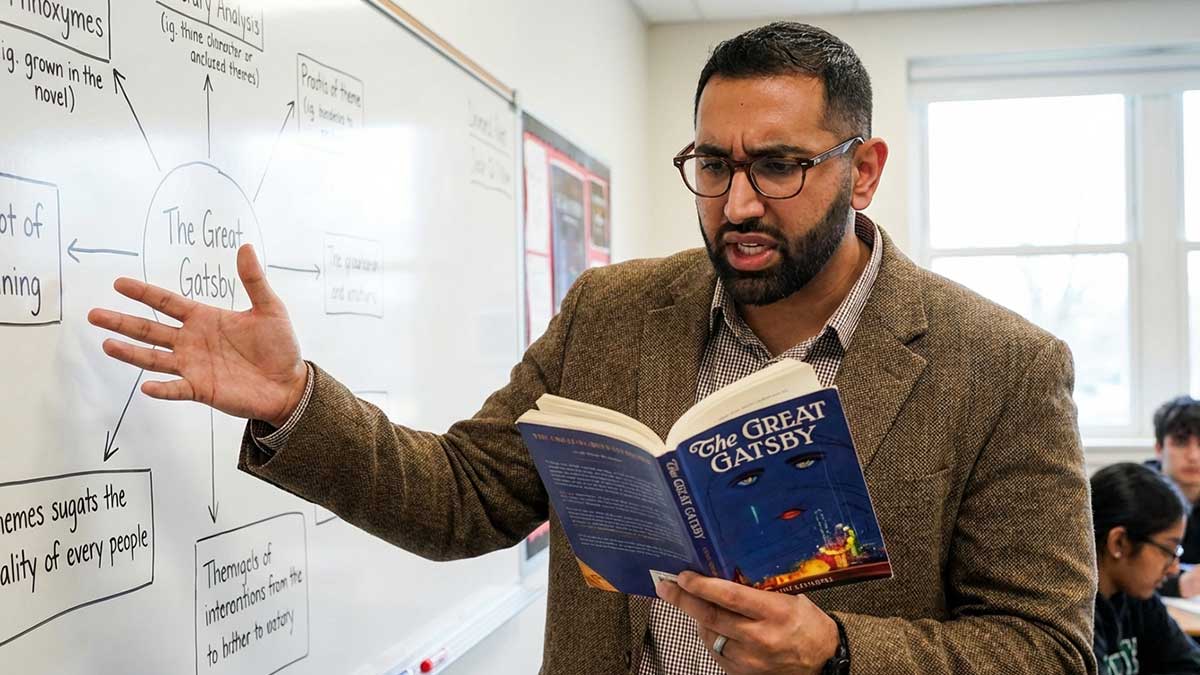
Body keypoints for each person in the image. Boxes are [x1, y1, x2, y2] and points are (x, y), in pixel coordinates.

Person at [87, 21, 1098, 675]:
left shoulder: (1003, 367)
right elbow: (461, 497)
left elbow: (1048, 647)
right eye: (714, 164)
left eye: (781, 166)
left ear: (862, 169)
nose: (739, 203)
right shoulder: (613, 311)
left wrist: (837, 649)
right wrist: (294, 400)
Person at [1091, 462, 1200, 673]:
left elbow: (1190, 663)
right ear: (1119, 543)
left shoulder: (1138, 598)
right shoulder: (1074, 619)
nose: (1174, 569)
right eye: (1168, 550)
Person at [1147, 396, 1200, 598]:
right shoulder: (1136, 494)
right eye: (1181, 442)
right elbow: (1117, 572)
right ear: (1159, 449)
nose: (1193, 456)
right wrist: (1177, 586)